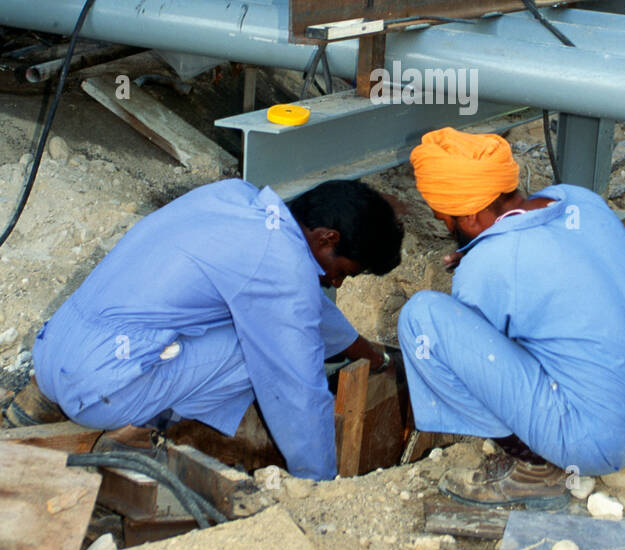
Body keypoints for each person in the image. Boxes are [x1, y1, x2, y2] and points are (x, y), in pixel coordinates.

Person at [24, 179, 403, 480]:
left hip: (54, 355)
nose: (335, 284)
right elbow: (296, 386)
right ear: (327, 238)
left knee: (266, 323)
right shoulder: (282, 270)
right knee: (264, 350)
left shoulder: (233, 197)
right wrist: (320, 483)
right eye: (343, 272)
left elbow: (306, 310)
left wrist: (373, 355)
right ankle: (146, 432)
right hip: (102, 391)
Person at [396, 128, 625, 506]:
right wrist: (487, 251)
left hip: (593, 443)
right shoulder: (580, 201)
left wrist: (482, 261)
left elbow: (484, 354)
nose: (447, 229)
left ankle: (536, 470)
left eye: (447, 220)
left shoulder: (488, 265)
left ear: (474, 216)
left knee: (420, 318)